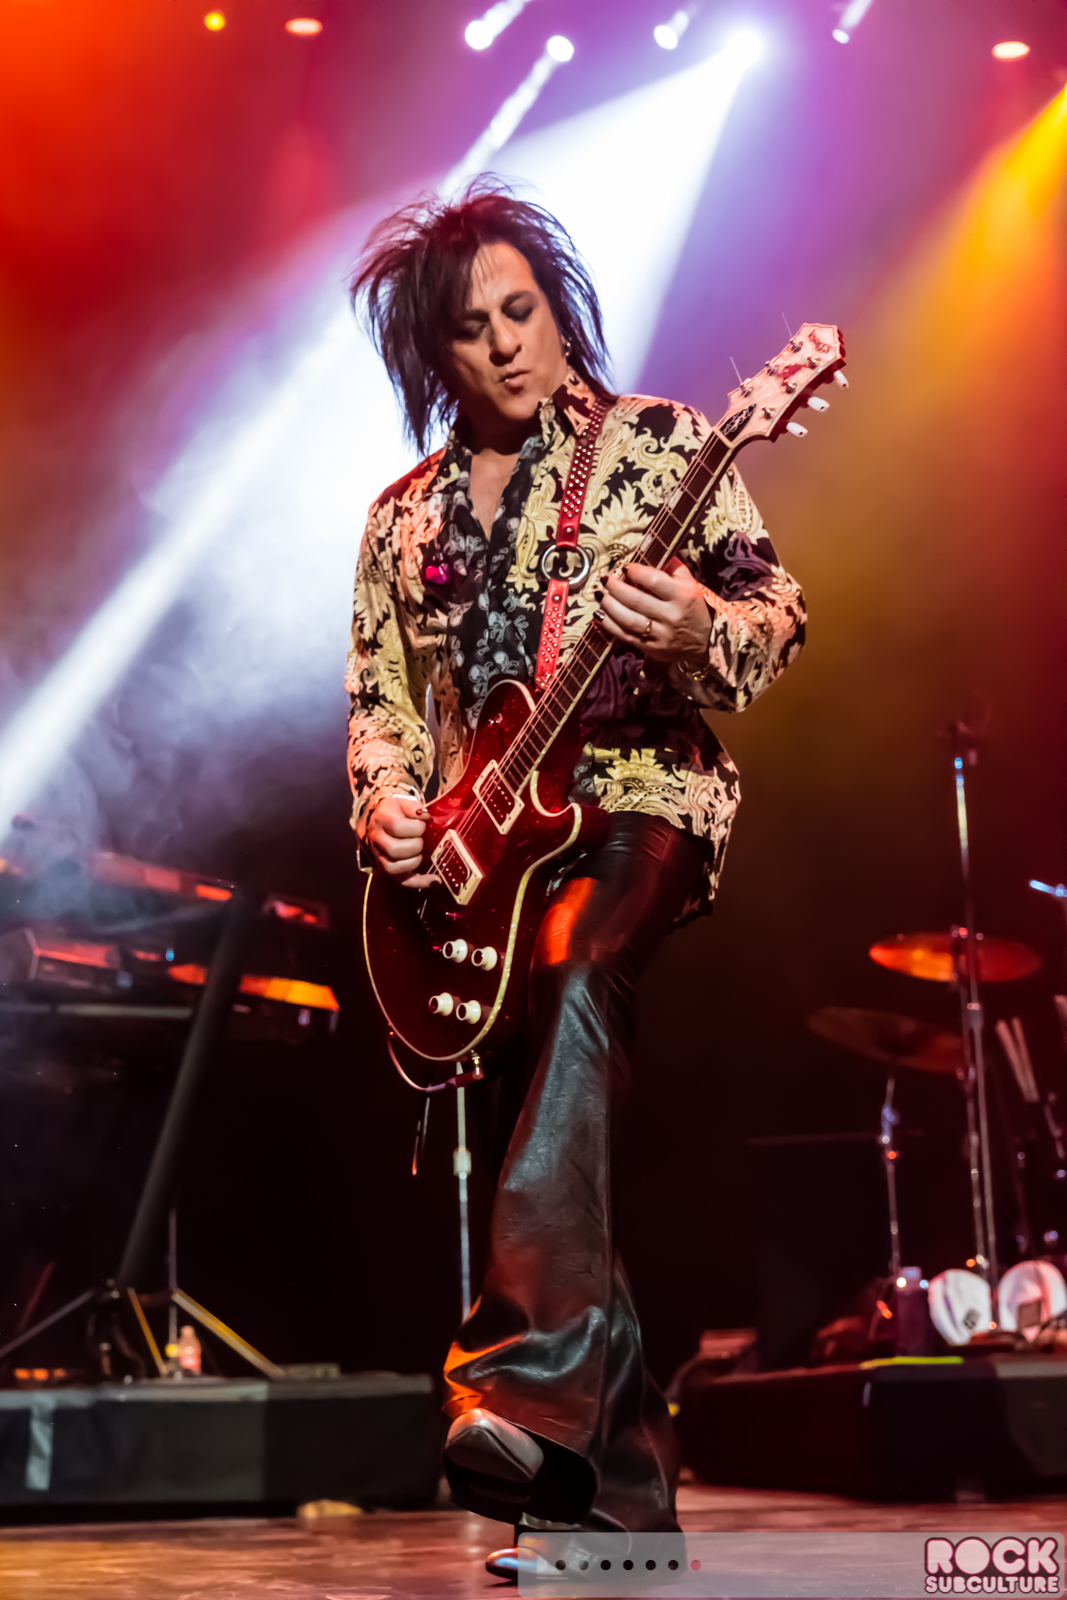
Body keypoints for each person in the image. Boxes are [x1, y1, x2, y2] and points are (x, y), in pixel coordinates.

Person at [346, 181, 805, 1578]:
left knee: (580, 964)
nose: (505, 344)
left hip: (641, 799)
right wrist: (387, 805)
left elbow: (777, 617)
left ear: (558, 308)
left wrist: (700, 622)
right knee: (555, 1129)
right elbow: (380, 706)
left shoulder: (662, 447)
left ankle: (519, 1380)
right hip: (487, 854)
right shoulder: (400, 522)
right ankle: (619, 1514)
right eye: (471, 327)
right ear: (434, 351)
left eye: (522, 310)